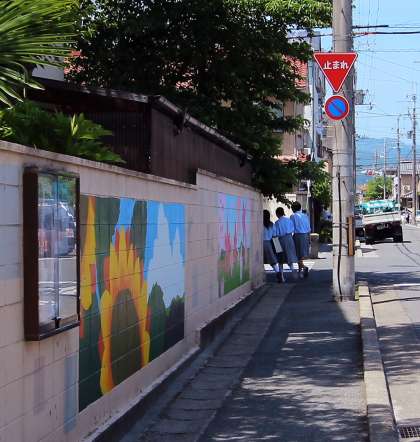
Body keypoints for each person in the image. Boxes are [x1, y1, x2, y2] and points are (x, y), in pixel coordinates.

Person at [274, 207, 298, 280]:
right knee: (289, 257)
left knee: (280, 259)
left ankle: (281, 276)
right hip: (289, 238)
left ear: (277, 214)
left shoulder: (277, 222)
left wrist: (275, 244)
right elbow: (293, 229)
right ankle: (293, 269)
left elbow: (276, 234)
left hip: (280, 240)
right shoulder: (289, 220)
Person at [263, 210, 285, 283]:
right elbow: (274, 235)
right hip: (268, 243)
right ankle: (278, 273)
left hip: (260, 243)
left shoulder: (259, 224)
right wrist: (278, 247)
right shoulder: (271, 224)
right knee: (272, 260)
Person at [290, 201, 311, 278]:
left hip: (298, 235)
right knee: (301, 254)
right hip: (305, 235)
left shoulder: (293, 216)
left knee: (297, 254)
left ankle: (304, 267)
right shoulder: (305, 215)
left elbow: (291, 227)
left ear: (293, 209)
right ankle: (300, 269)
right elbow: (308, 228)